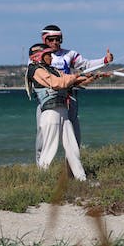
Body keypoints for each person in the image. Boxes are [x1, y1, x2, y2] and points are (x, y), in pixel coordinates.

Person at [33, 24, 114, 162]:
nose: (55, 43)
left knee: (73, 138)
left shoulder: (70, 55)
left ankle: (71, 171)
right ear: (44, 40)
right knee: (42, 138)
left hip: (69, 100)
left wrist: (104, 60)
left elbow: (86, 65)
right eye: (51, 39)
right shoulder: (36, 56)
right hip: (47, 102)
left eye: (58, 39)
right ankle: (40, 170)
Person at [26, 43, 98, 180]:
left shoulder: (52, 70)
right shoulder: (35, 70)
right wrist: (76, 76)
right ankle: (42, 179)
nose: (51, 58)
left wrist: (92, 77)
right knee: (49, 148)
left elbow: (69, 80)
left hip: (63, 112)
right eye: (48, 55)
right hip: (50, 113)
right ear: (38, 56)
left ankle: (80, 178)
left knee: (72, 147)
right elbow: (57, 83)